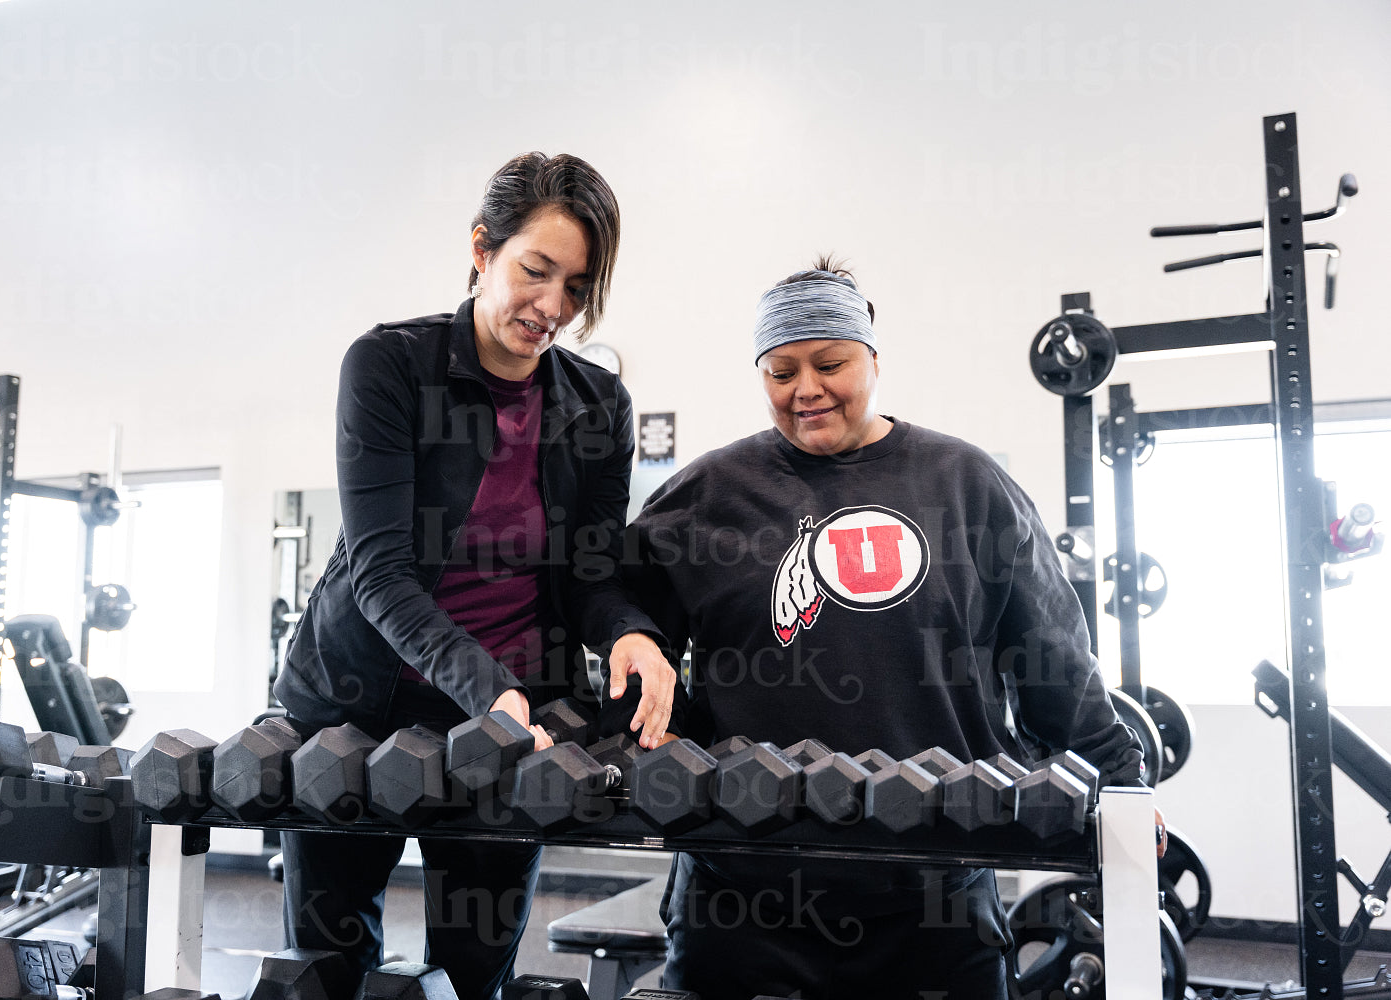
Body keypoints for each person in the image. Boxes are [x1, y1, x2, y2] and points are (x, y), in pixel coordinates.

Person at [624, 258, 1157, 999]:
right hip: (743, 890)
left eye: (830, 364)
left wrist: (1126, 787)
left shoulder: (967, 485)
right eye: (780, 372)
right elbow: (616, 612)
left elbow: (1054, 660)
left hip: (933, 889)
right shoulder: (709, 495)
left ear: (873, 359)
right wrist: (635, 649)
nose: (805, 389)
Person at [273, 151, 675, 1000]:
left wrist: (629, 633)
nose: (552, 307)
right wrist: (489, 690)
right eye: (536, 270)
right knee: (326, 972)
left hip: (513, 724)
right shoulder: (388, 367)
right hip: (361, 706)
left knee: (476, 968)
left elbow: (590, 573)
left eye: (576, 286)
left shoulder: (598, 404)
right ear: (483, 247)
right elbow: (382, 572)